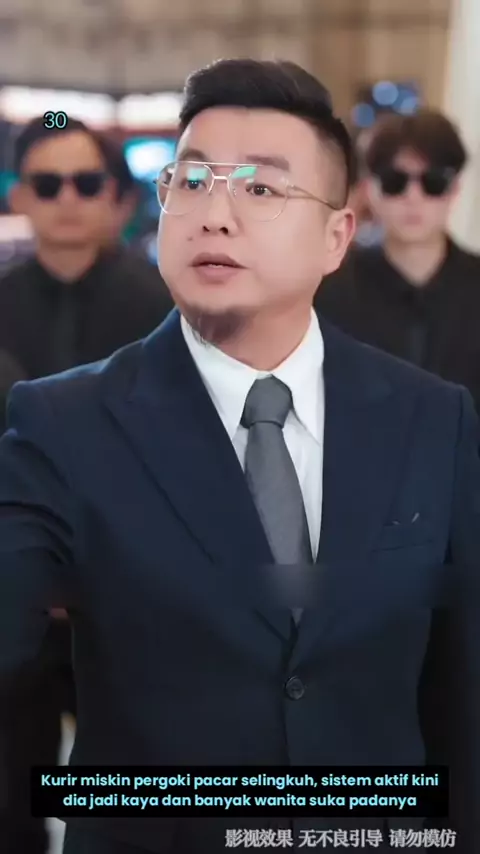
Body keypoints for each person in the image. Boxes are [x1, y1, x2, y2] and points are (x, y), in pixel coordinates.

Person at [0, 59, 479, 854]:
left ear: (335, 237)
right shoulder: (63, 424)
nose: (215, 214)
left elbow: (461, 695)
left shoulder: (432, 419)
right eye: (192, 181)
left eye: (261, 188)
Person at [0, 117, 172, 854]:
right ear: (20, 197)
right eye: (47, 184)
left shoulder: (169, 312)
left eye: (86, 182)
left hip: (134, 596)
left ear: (118, 197)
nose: (67, 199)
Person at [315, 110, 480, 412]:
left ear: (454, 189)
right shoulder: (330, 291)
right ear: (369, 190)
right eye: (395, 182)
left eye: (433, 182)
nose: (413, 197)